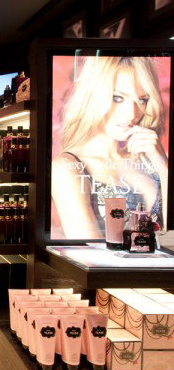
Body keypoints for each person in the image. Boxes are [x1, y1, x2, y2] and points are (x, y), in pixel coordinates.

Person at [52, 56, 168, 239]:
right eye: (118, 98)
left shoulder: (148, 159)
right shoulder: (67, 167)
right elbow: (88, 252)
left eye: (142, 100)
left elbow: (171, 237)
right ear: (92, 96)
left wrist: (163, 167)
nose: (132, 114)